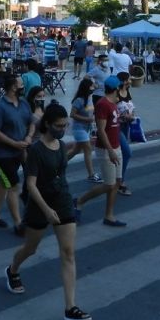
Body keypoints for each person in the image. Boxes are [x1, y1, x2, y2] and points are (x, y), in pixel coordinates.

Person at [4, 102, 92, 320]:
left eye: (65, 125)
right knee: (31, 248)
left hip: (62, 199)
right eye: (59, 126)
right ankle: (12, 270)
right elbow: (31, 185)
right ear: (48, 124)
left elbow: (59, 167)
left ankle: (70, 308)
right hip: (39, 204)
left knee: (68, 252)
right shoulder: (35, 150)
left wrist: (78, 149)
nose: (62, 129)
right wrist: (46, 210)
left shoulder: (61, 145)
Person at [73, 76, 127, 227]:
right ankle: (79, 201)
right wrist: (110, 151)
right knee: (109, 185)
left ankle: (109, 215)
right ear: (116, 88)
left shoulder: (113, 103)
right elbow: (101, 130)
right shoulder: (103, 104)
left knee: (117, 182)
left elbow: (112, 123)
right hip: (106, 149)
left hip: (116, 146)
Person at [0, 74, 35, 236]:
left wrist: (29, 137)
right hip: (0, 155)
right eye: (21, 84)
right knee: (13, 186)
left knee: (3, 183)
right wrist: (14, 143)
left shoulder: (24, 103)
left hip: (18, 152)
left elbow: (31, 122)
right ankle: (18, 223)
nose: (23, 86)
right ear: (14, 87)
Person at [66, 78, 99, 182]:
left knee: (75, 150)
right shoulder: (79, 100)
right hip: (78, 128)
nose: (93, 88)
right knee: (88, 149)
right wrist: (87, 119)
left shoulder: (89, 99)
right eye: (91, 86)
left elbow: (90, 113)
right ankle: (91, 174)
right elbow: (72, 114)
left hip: (86, 128)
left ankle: (58, 164)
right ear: (87, 87)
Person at [115, 71, 134, 196]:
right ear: (123, 81)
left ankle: (116, 178)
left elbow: (131, 106)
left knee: (121, 153)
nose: (130, 81)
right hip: (117, 127)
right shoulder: (115, 93)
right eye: (128, 79)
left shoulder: (127, 92)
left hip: (126, 126)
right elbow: (112, 111)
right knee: (127, 153)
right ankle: (119, 181)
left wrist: (131, 116)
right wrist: (123, 116)